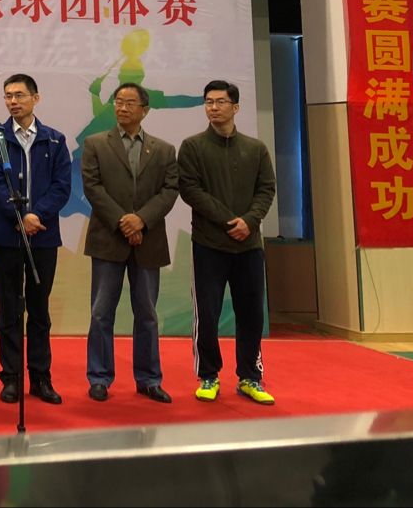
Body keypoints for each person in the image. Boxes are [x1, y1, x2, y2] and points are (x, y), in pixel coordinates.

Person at [178, 80, 277, 405]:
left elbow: (266, 189)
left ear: (235, 107)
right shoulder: (192, 147)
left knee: (251, 314)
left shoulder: (255, 149)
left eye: (220, 102)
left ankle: (250, 376)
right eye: (209, 102)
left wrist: (249, 221)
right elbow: (191, 190)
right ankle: (208, 375)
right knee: (207, 314)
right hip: (209, 245)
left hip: (249, 245)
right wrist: (227, 221)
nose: (213, 107)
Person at [81, 81, 180, 403]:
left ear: (145, 110)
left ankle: (149, 378)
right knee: (101, 312)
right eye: (118, 102)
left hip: (148, 241)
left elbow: (169, 190)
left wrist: (142, 220)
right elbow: (93, 187)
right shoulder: (96, 144)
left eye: (129, 103)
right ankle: (99, 377)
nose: (122, 108)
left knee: (147, 314)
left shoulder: (164, 149)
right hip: (108, 238)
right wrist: (124, 221)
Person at [0, 73, 72, 405]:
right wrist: (19, 216)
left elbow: (62, 186)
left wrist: (37, 216)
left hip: (43, 235)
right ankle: (11, 377)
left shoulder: (55, 140)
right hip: (5, 234)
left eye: (19, 95)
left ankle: (40, 377)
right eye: (8, 96)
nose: (13, 101)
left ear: (36, 98)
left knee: (39, 309)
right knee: (9, 308)